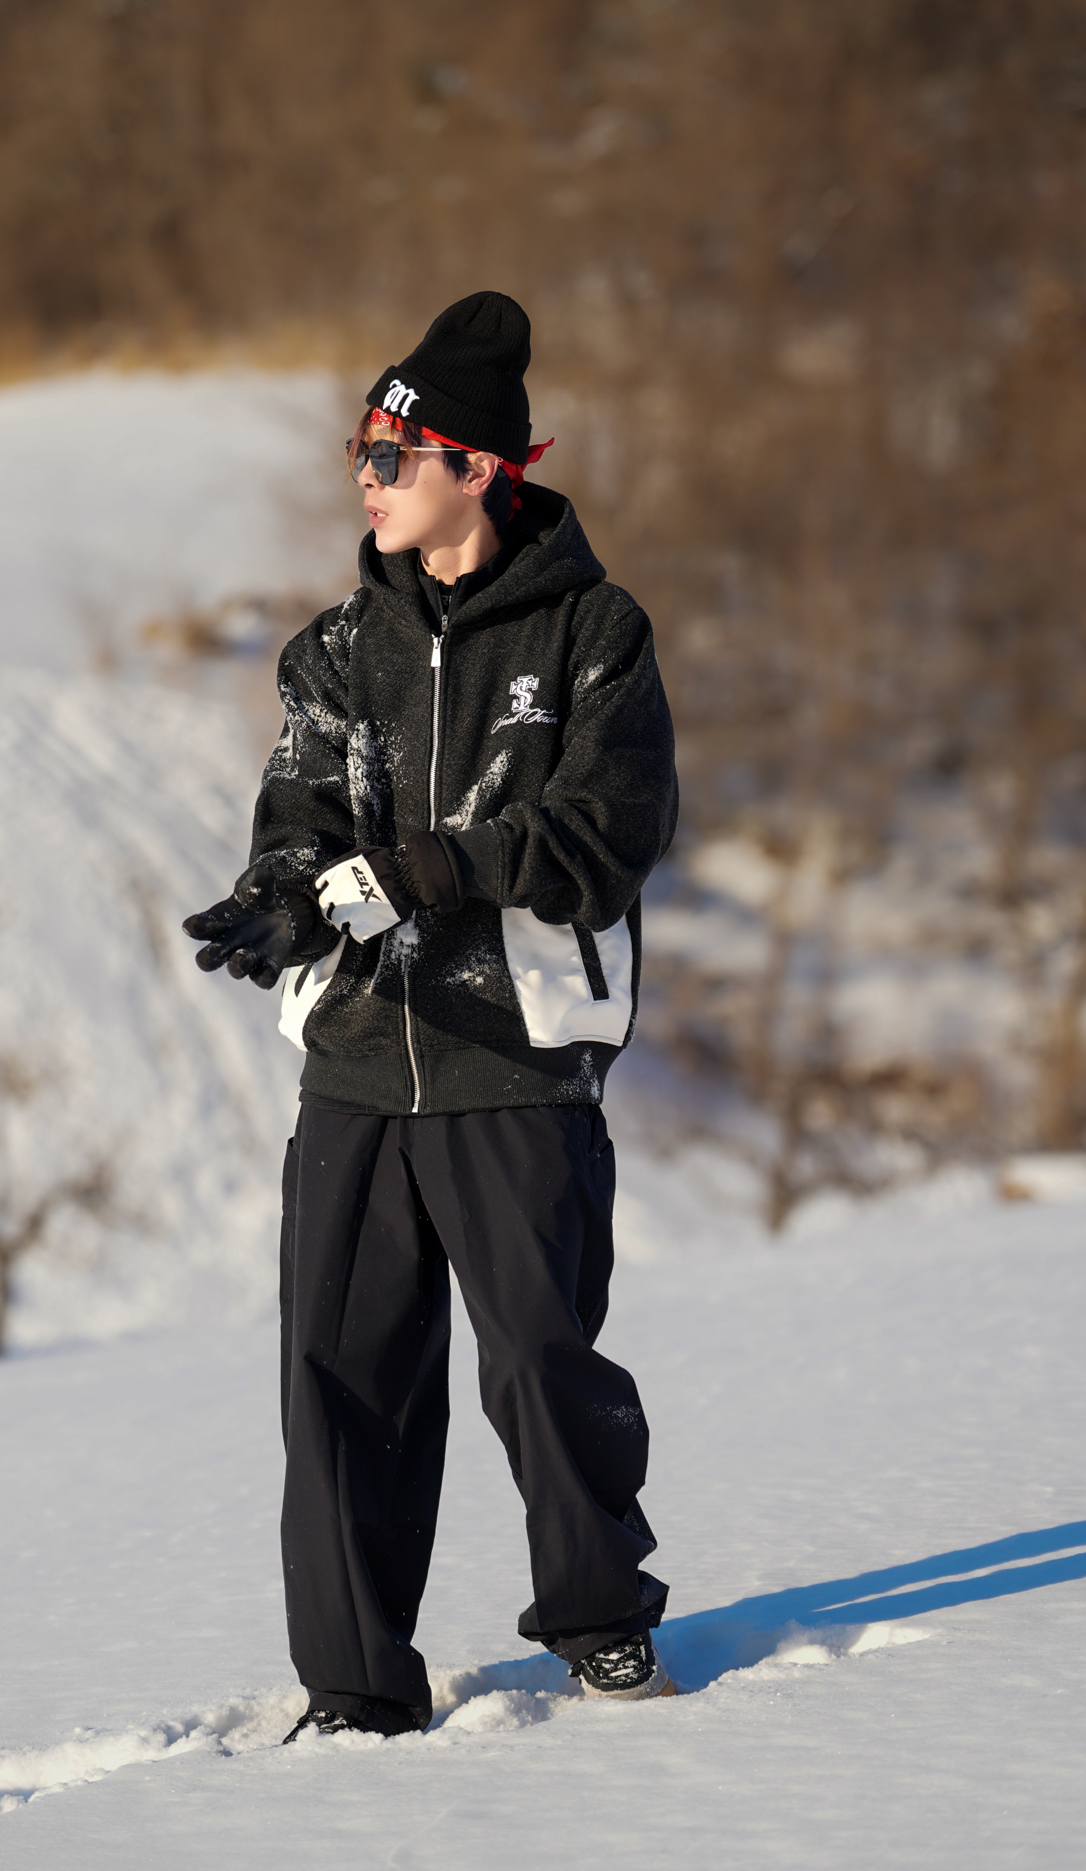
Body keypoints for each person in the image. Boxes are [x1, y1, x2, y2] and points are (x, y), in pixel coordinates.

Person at [184, 291, 679, 1741]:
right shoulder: (338, 649)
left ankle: (601, 1625)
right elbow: (298, 814)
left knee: (539, 1364)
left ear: (477, 467)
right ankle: (354, 1685)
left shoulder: (594, 634)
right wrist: (283, 900)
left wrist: (427, 869)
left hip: (513, 1060)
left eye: (389, 456)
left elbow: (601, 838)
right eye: (360, 452)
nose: (365, 477)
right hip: (354, 1070)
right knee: (340, 1385)